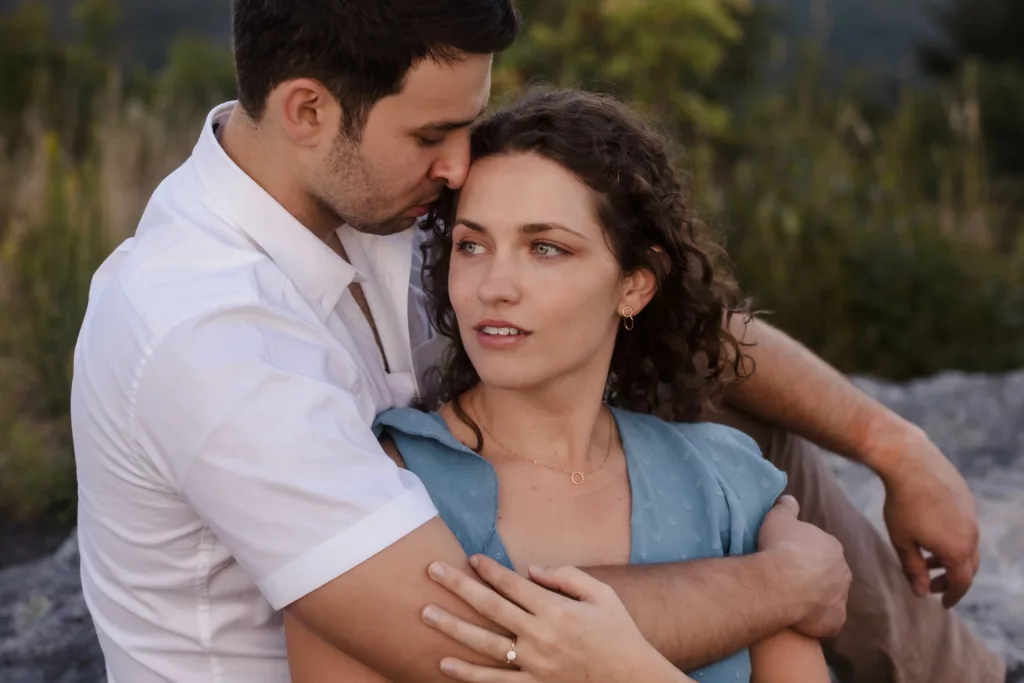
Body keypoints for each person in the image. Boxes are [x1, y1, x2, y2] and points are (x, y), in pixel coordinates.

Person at [68, 1, 1002, 682]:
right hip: (398, 652)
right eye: (435, 131)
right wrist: (784, 582)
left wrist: (894, 445)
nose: (460, 164)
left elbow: (654, 315)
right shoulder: (198, 326)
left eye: (468, 125)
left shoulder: (385, 190)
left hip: (494, 582)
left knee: (750, 436)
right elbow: (462, 633)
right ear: (309, 111)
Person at [284, 88, 834, 683]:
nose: (495, 285)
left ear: (634, 286)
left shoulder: (727, 484)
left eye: (545, 248)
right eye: (472, 245)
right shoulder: (379, 492)